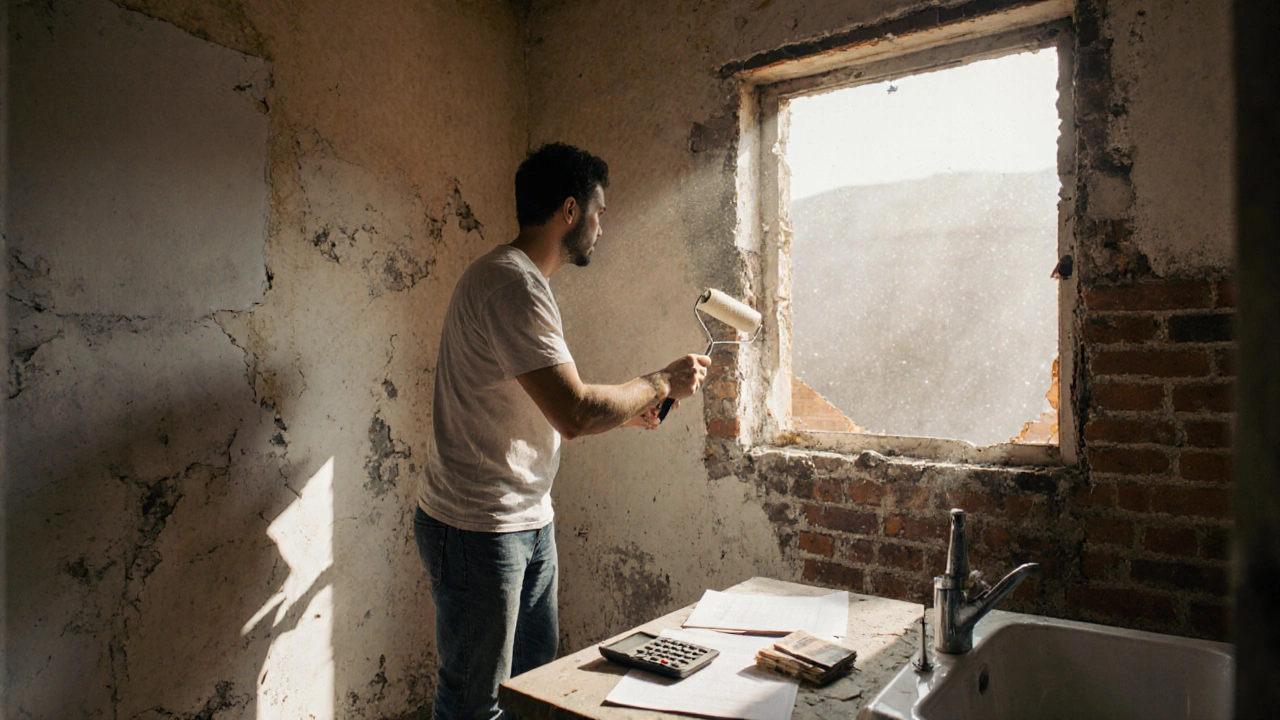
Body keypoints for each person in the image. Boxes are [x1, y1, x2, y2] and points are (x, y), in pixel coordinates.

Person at [414, 142, 710, 720]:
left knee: (532, 688)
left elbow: (548, 401)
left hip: (526, 517)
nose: (602, 226)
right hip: (478, 526)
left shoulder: (522, 282)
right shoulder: (512, 286)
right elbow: (573, 413)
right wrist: (660, 382)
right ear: (570, 211)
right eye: (599, 212)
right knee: (475, 699)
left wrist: (629, 409)